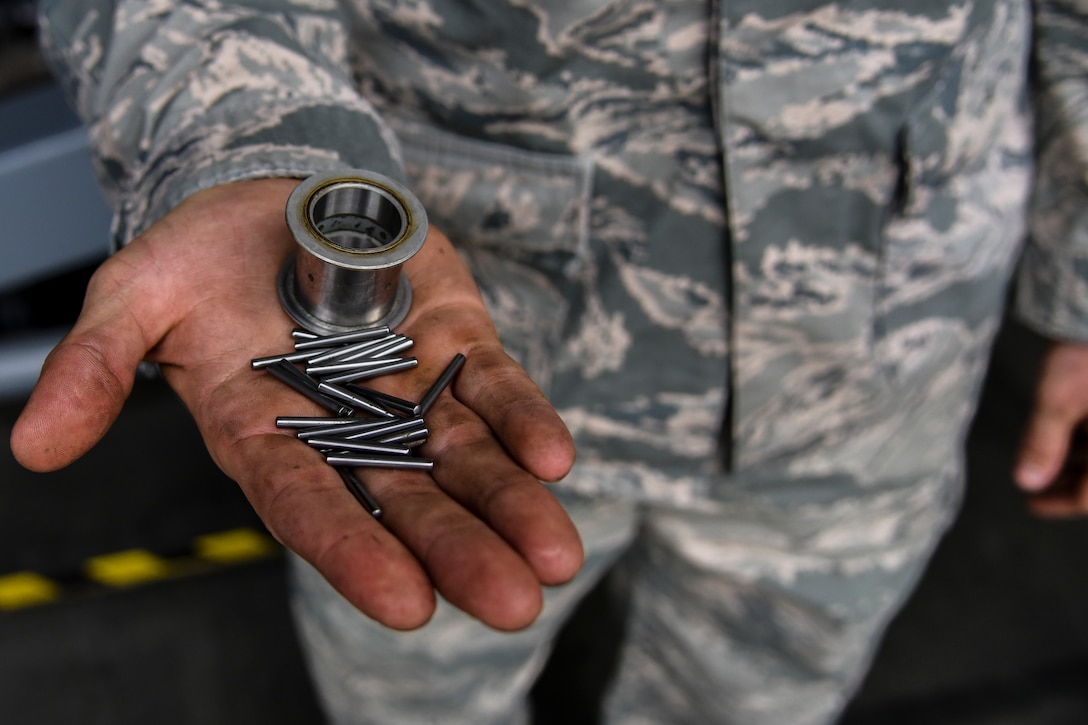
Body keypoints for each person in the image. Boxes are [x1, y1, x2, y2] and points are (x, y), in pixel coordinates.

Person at [11, 0, 1088, 722]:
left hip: (882, 368)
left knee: (761, 699)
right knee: (416, 692)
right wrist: (243, 144)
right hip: (475, 338)